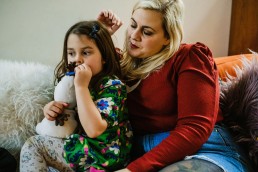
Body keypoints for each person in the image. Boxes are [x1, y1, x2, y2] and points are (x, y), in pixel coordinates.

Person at [97, 0, 254, 171]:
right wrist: (100, 38)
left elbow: (196, 129)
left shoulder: (188, 57)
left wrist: (133, 169)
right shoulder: (117, 64)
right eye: (133, 25)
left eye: (147, 32)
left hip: (208, 150)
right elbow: (76, 81)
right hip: (148, 155)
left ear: (168, 37)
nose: (134, 35)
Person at [20, 20, 133, 172]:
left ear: (104, 56)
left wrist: (82, 87)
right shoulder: (70, 81)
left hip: (102, 157)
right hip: (81, 150)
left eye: (86, 52)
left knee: (35, 145)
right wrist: (50, 108)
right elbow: (66, 109)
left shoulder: (112, 86)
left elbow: (94, 130)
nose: (76, 59)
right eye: (71, 53)